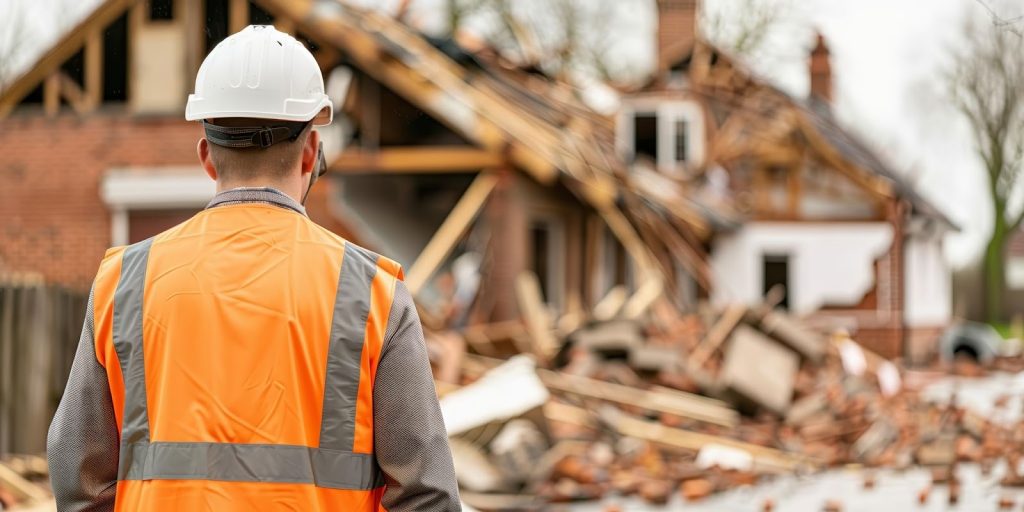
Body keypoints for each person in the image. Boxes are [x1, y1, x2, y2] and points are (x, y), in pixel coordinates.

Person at [47, 25, 460, 512]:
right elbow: (427, 494)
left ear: (207, 156)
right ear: (310, 151)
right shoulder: (373, 293)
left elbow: (77, 474)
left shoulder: (124, 281)